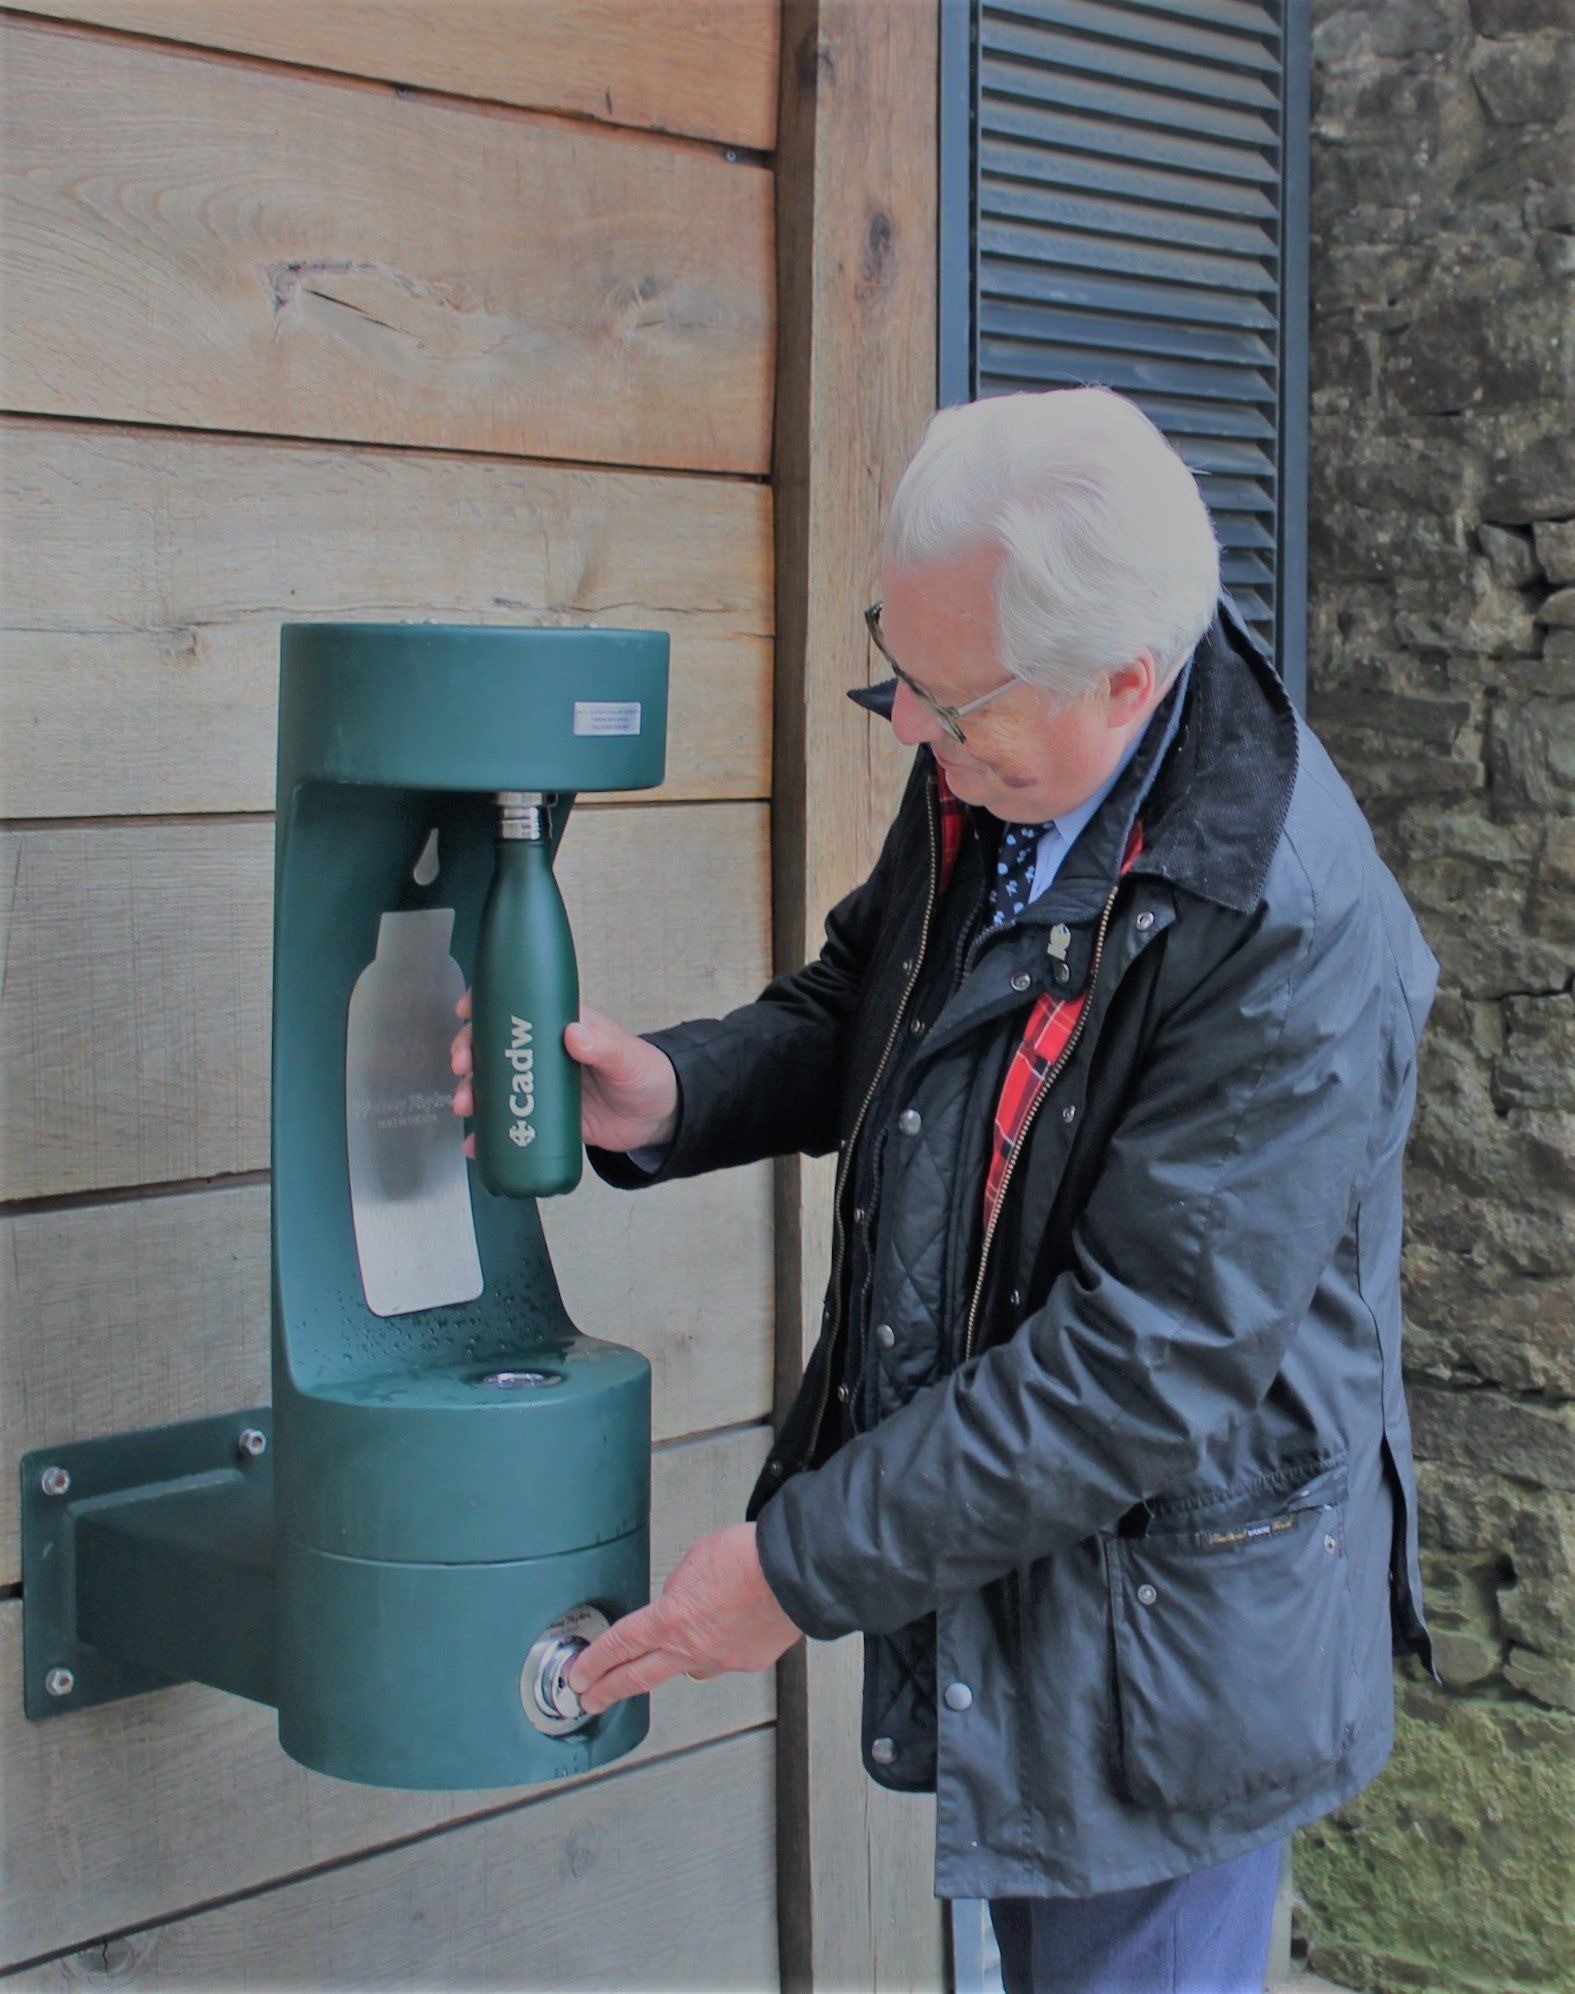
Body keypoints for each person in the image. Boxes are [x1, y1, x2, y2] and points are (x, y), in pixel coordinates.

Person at [451, 386, 1439, 1994]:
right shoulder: (1005, 751)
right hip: (1020, 1573)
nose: (909, 729)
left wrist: (791, 1567)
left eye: (946, 703)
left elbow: (1131, 1373)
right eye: (893, 672)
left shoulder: (1293, 936)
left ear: (1126, 681)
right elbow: (874, 996)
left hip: (1170, 1645)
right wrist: (681, 1090)